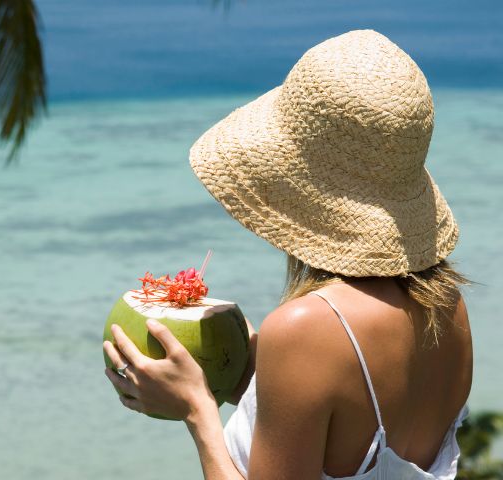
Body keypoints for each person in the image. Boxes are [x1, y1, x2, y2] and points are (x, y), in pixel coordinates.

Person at [102, 30, 473, 480]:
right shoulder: (449, 305)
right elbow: (351, 421)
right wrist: (249, 373)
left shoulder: (305, 330)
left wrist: (196, 410)